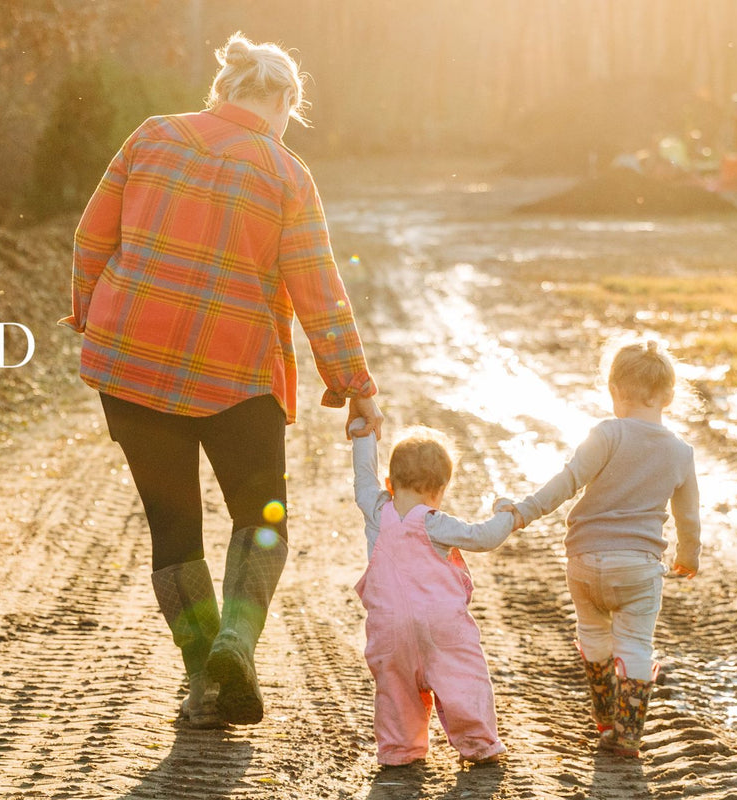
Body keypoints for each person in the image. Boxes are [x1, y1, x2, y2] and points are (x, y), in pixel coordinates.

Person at [62, 32, 383, 729]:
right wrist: (353, 380)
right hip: (236, 372)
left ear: (225, 89)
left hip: (132, 365)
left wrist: (90, 309)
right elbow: (316, 290)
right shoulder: (286, 172)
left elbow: (92, 237)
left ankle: (203, 680)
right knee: (261, 519)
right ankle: (235, 644)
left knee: (173, 533)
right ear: (285, 103)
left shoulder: (150, 138)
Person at [497, 340, 701, 757]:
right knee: (635, 645)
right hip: (640, 569)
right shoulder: (681, 452)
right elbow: (689, 517)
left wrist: (524, 512)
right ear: (669, 395)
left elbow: (566, 481)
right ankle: (627, 733)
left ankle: (605, 718)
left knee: (593, 636)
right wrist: (688, 556)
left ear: (613, 390)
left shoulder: (607, 433)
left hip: (585, 562)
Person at [351, 425, 516, 766]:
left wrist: (363, 435)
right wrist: (507, 515)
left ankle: (400, 749)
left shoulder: (376, 512)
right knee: (463, 679)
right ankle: (479, 742)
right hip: (443, 626)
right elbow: (483, 537)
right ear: (439, 491)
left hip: (388, 628)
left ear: (389, 483)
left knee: (396, 690)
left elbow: (362, 477)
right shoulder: (434, 522)